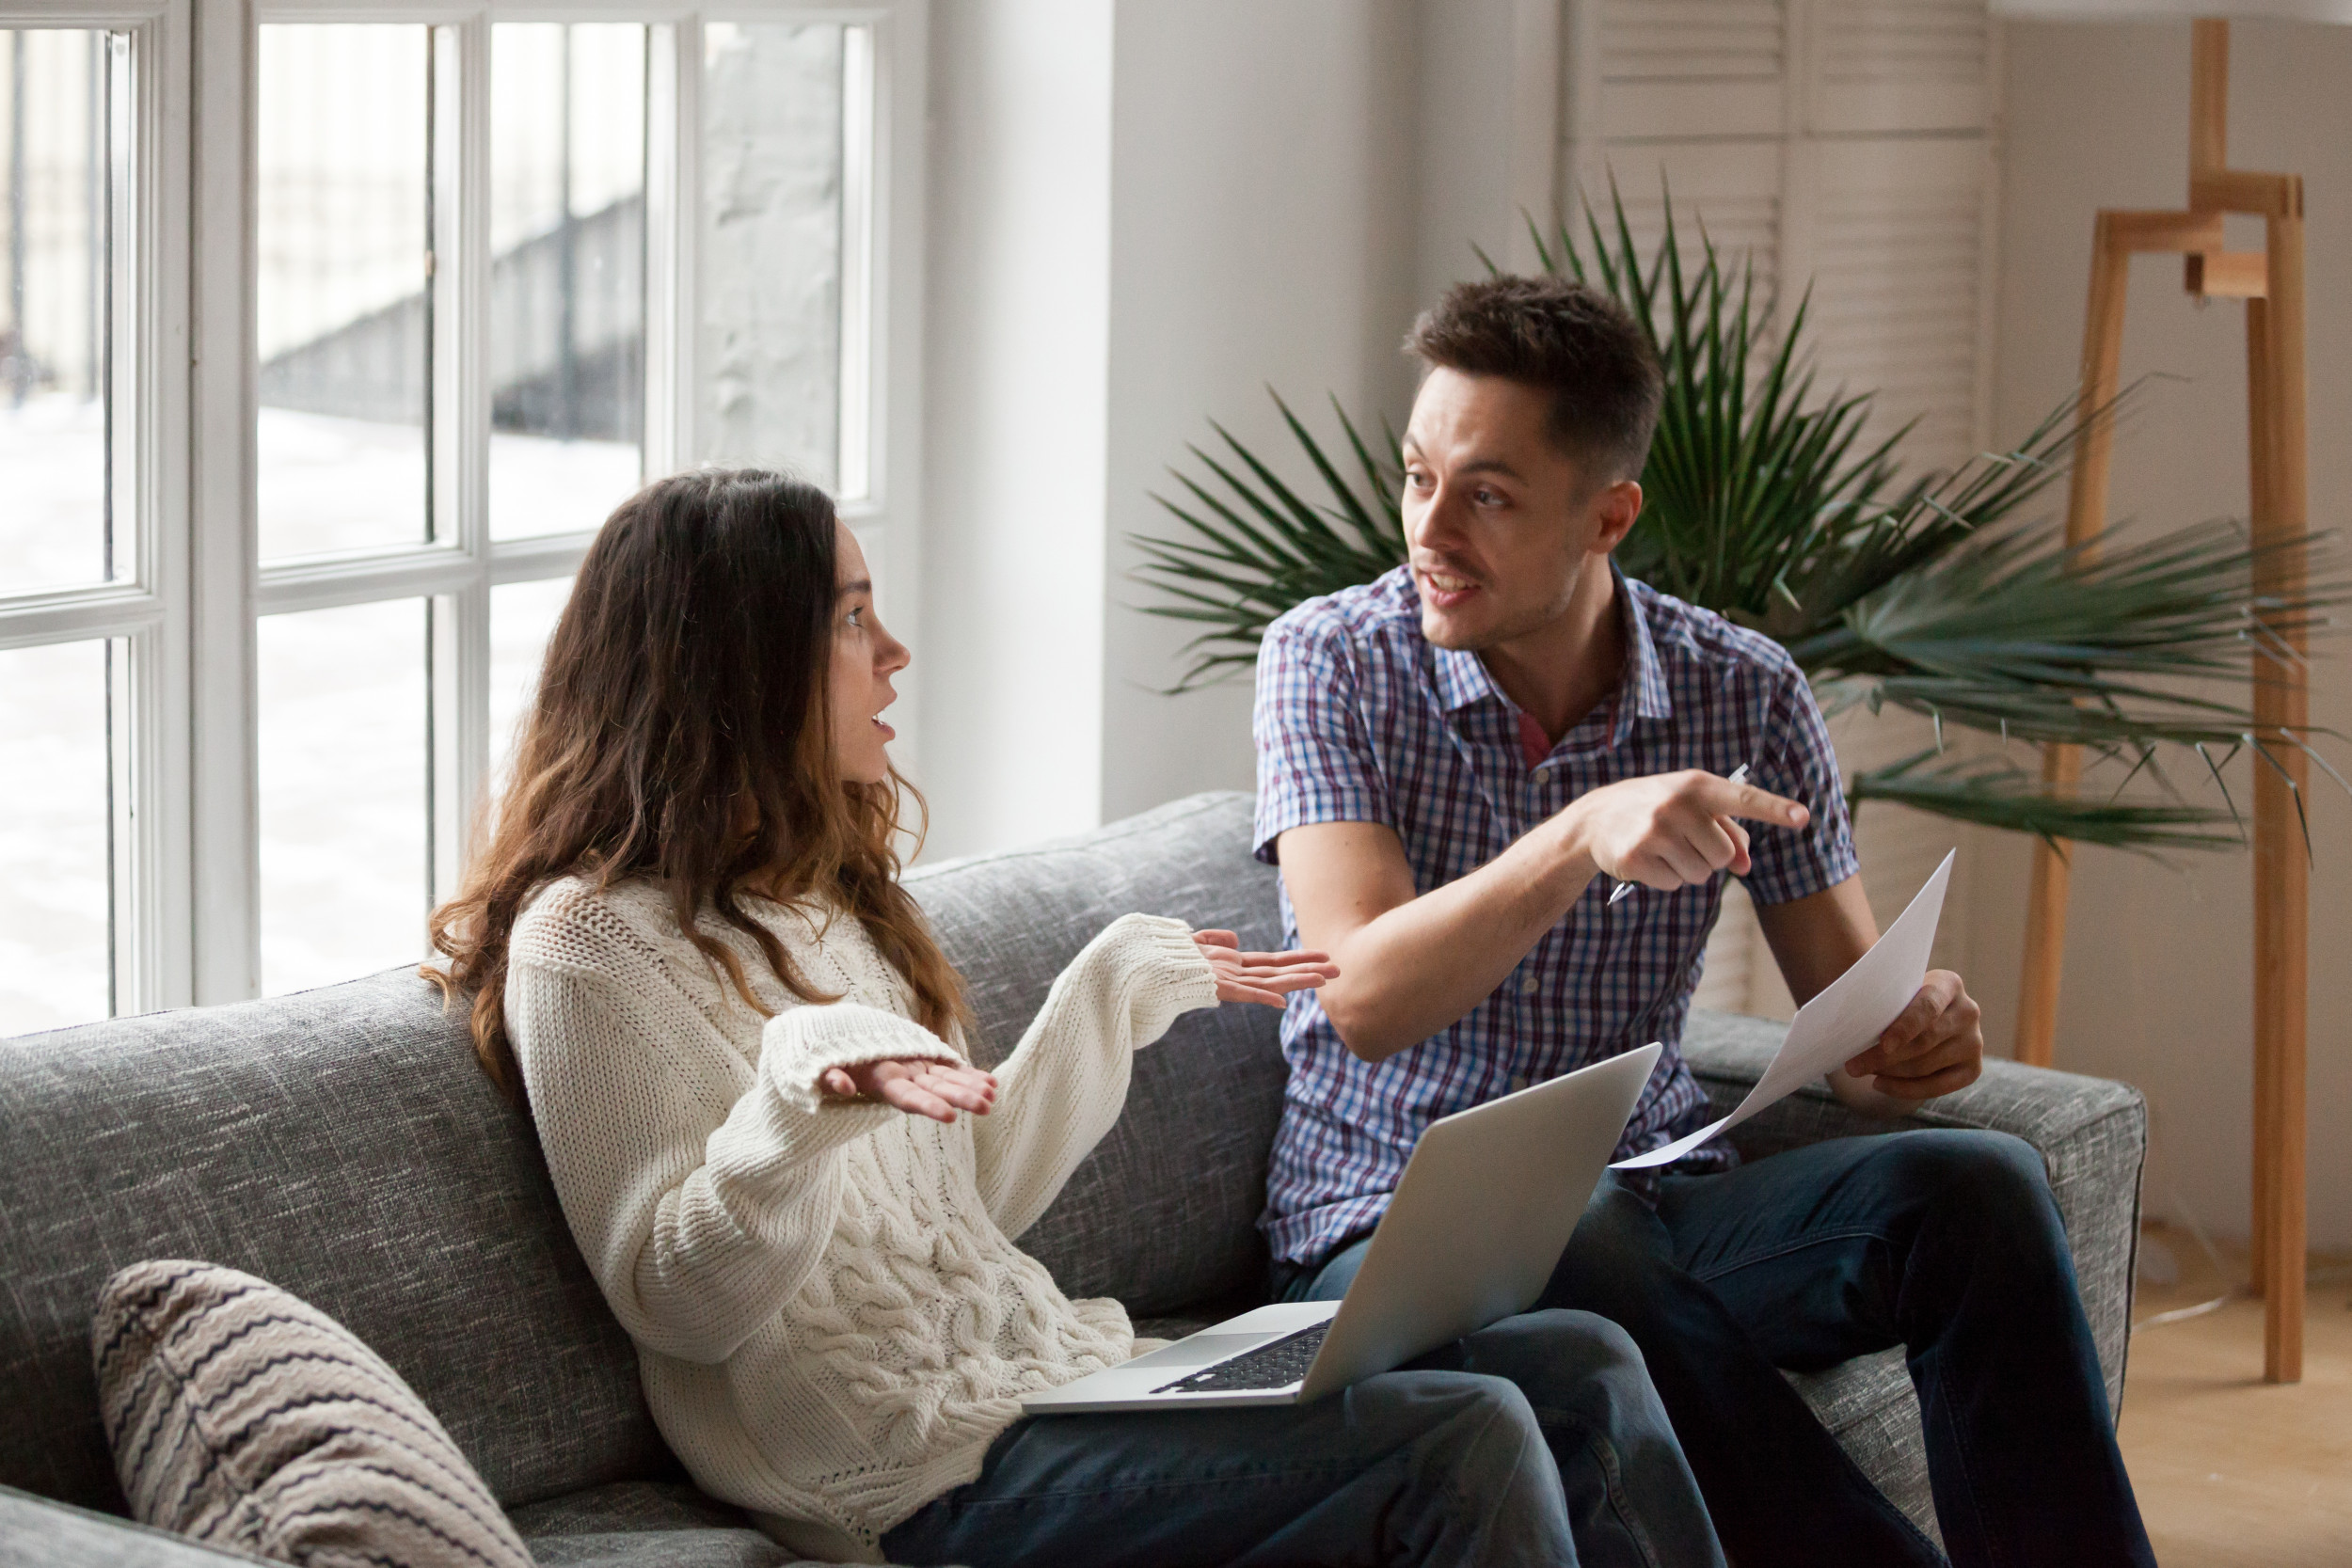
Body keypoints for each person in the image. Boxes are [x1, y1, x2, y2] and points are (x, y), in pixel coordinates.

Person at [424, 467, 1726, 1568]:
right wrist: (789, 1115)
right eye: (853, 618)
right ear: (737, 666)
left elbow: (961, 1209)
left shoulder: (820, 893)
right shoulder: (585, 945)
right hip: (912, 1479)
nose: (894, 654)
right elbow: (679, 1308)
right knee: (1462, 1435)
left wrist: (1108, 997)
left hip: (1069, 1381)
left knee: (1576, 1357)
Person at [1253, 276, 2158, 1568]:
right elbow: (1362, 994)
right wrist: (1578, 833)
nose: (1429, 529)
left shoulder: (1742, 691)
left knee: (1976, 1189)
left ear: (1606, 514)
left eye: (1487, 495)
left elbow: (1853, 1031)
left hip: (1653, 1200)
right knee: (1576, 1233)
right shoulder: (1330, 660)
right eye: (1418, 478)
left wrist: (1914, 1037)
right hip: (1384, 1238)